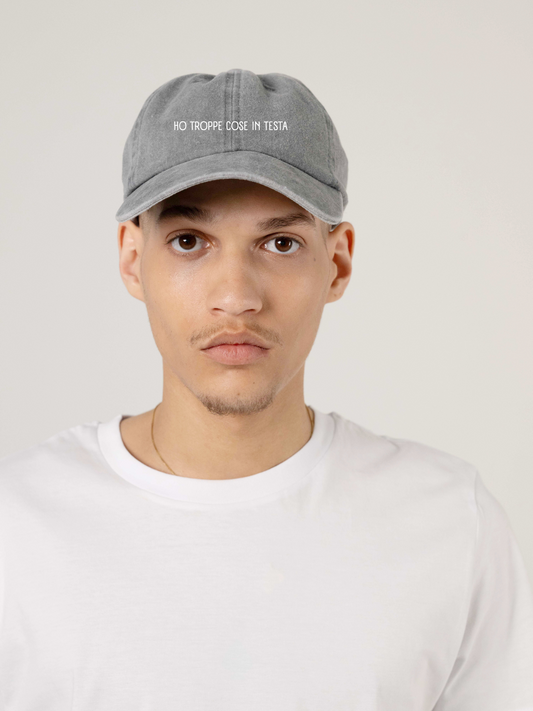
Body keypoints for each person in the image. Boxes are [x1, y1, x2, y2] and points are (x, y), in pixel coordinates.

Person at [0, 69, 532, 710]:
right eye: (189, 242)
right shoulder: (18, 526)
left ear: (337, 263)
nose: (236, 297)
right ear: (133, 260)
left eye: (280, 243)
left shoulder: (449, 523)